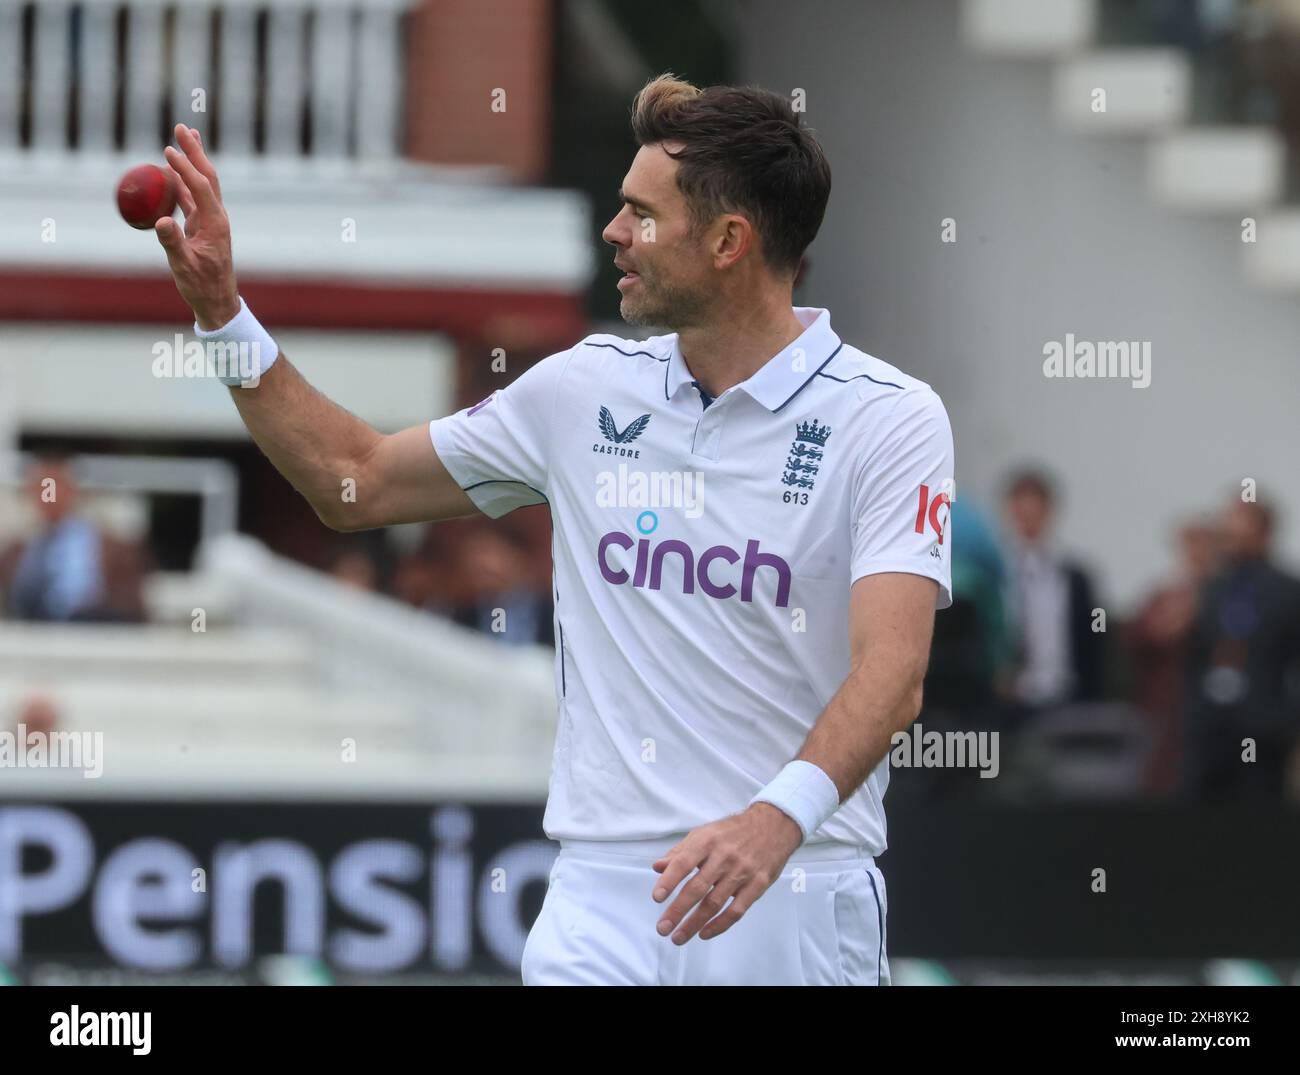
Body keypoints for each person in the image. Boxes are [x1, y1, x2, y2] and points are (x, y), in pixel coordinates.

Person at [151, 73, 955, 986]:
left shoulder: (892, 418)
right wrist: (222, 313)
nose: (613, 233)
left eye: (641, 215)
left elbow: (893, 676)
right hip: (599, 896)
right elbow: (356, 483)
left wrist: (776, 819)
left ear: (731, 241)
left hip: (791, 885)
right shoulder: (583, 387)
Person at [1183, 498, 1300, 799]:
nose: (1228, 532)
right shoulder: (1214, 588)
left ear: (1261, 530)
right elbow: (1197, 656)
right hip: (1210, 731)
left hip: (1262, 731)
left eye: (1237, 523)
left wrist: (1282, 719)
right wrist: (1196, 711)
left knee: (1256, 822)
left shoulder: (1286, 591)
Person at [1001, 469, 1105, 710]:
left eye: (1035, 510)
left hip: (1067, 697)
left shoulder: (1078, 578)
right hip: (1011, 702)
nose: (1029, 518)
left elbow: (1097, 627)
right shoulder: (999, 574)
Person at [2, 458, 106, 622]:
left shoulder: (103, 544)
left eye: (55, 487)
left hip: (87, 632)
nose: (49, 496)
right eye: (42, 488)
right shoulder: (19, 548)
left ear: (72, 490)